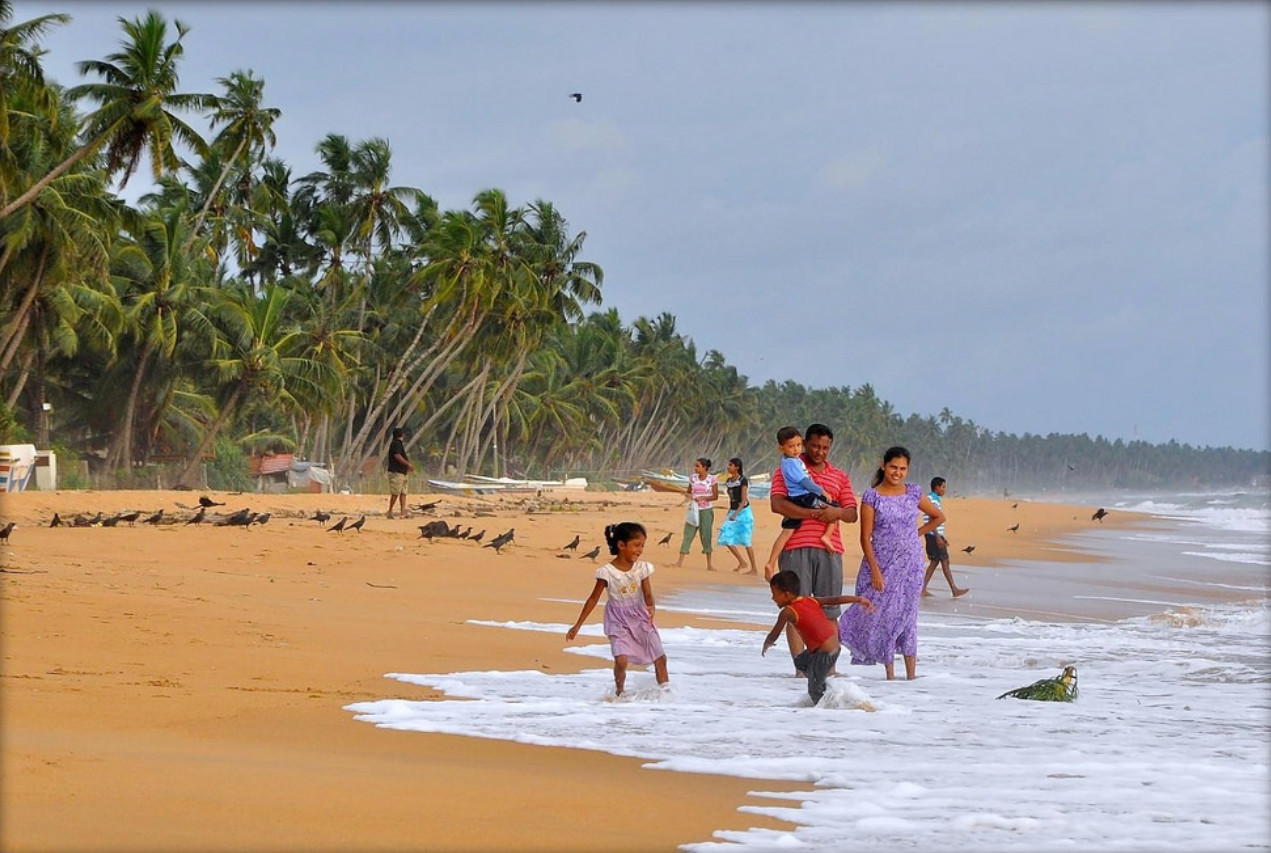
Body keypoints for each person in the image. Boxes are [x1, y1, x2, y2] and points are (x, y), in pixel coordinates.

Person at [838, 446, 945, 681]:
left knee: (908, 616)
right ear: (883, 466)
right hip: (881, 564)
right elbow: (865, 538)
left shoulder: (914, 492)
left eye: (903, 468)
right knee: (882, 614)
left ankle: (911, 677)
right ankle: (890, 675)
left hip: (911, 565)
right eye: (893, 467)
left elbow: (939, 516)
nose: (897, 472)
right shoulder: (872, 496)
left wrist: (915, 533)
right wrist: (875, 570)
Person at [768, 424, 858, 669]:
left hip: (830, 550)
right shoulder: (787, 467)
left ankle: (829, 669)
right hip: (795, 545)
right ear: (805, 443)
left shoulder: (839, 476)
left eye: (825, 448)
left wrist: (834, 512)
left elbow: (851, 513)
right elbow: (777, 505)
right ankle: (801, 670)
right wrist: (812, 513)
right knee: (796, 611)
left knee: (829, 612)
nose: (819, 452)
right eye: (815, 446)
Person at [566, 522, 669, 696]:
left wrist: (651, 607)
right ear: (621, 545)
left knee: (660, 657)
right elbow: (592, 599)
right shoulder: (606, 572)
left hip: (641, 617)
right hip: (618, 620)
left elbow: (648, 594)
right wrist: (577, 626)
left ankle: (666, 696)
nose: (640, 550)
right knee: (621, 660)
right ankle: (620, 693)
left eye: (642, 545)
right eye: (636, 545)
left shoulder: (642, 568)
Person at [762, 570, 874, 704]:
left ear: (786, 594)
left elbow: (775, 632)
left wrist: (767, 643)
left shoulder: (787, 612)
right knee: (800, 662)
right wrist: (858, 599)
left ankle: (833, 707)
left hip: (824, 653)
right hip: (830, 649)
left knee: (814, 691)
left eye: (775, 594)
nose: (773, 598)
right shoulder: (810, 600)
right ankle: (828, 689)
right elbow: (835, 600)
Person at [763, 426, 840, 575]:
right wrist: (822, 491)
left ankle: (771, 562)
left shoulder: (789, 461)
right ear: (781, 448)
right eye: (791, 446)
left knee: (787, 531)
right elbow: (804, 482)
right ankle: (827, 536)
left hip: (796, 498)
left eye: (798, 445)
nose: (796, 449)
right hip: (804, 497)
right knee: (834, 509)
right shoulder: (791, 463)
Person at [921, 476, 968, 598]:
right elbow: (932, 518)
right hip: (933, 535)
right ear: (937, 487)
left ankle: (923, 588)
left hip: (934, 535)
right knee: (944, 561)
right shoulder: (932, 500)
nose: (944, 489)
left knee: (935, 562)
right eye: (943, 487)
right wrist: (937, 537)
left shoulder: (933, 499)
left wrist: (942, 536)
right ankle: (954, 589)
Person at [675, 457, 719, 571]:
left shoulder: (712, 479)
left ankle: (709, 564)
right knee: (688, 533)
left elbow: (715, 496)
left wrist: (703, 498)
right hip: (693, 509)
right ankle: (680, 561)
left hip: (706, 511)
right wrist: (687, 497)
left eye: (698, 466)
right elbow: (689, 492)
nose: (695, 468)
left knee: (706, 535)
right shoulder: (693, 478)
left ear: (704, 468)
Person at [717, 457, 759, 574]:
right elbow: (732, 499)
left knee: (746, 540)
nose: (728, 467)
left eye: (731, 465)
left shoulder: (742, 480)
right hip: (733, 510)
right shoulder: (729, 481)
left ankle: (754, 568)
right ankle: (742, 561)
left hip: (744, 512)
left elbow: (743, 499)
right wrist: (730, 513)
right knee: (725, 536)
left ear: (737, 467)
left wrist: (736, 514)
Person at [385, 427, 414, 519]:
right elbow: (397, 456)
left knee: (403, 492)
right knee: (395, 492)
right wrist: (408, 464)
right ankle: (390, 511)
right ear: (401, 435)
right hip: (396, 472)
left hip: (402, 472)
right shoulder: (396, 443)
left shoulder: (397, 444)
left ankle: (403, 511)